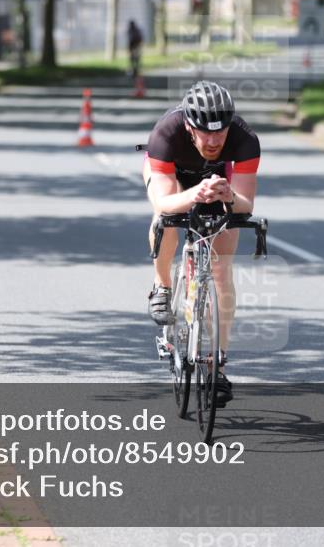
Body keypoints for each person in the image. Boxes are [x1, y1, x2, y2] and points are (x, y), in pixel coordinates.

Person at [142, 81, 260, 407]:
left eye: (219, 133)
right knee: (165, 222)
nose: (213, 141)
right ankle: (162, 285)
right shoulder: (165, 134)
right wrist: (193, 194)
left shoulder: (245, 139)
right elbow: (165, 201)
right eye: (205, 133)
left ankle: (218, 363)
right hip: (174, 179)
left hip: (217, 181)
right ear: (189, 126)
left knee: (222, 270)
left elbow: (246, 203)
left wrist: (228, 196)